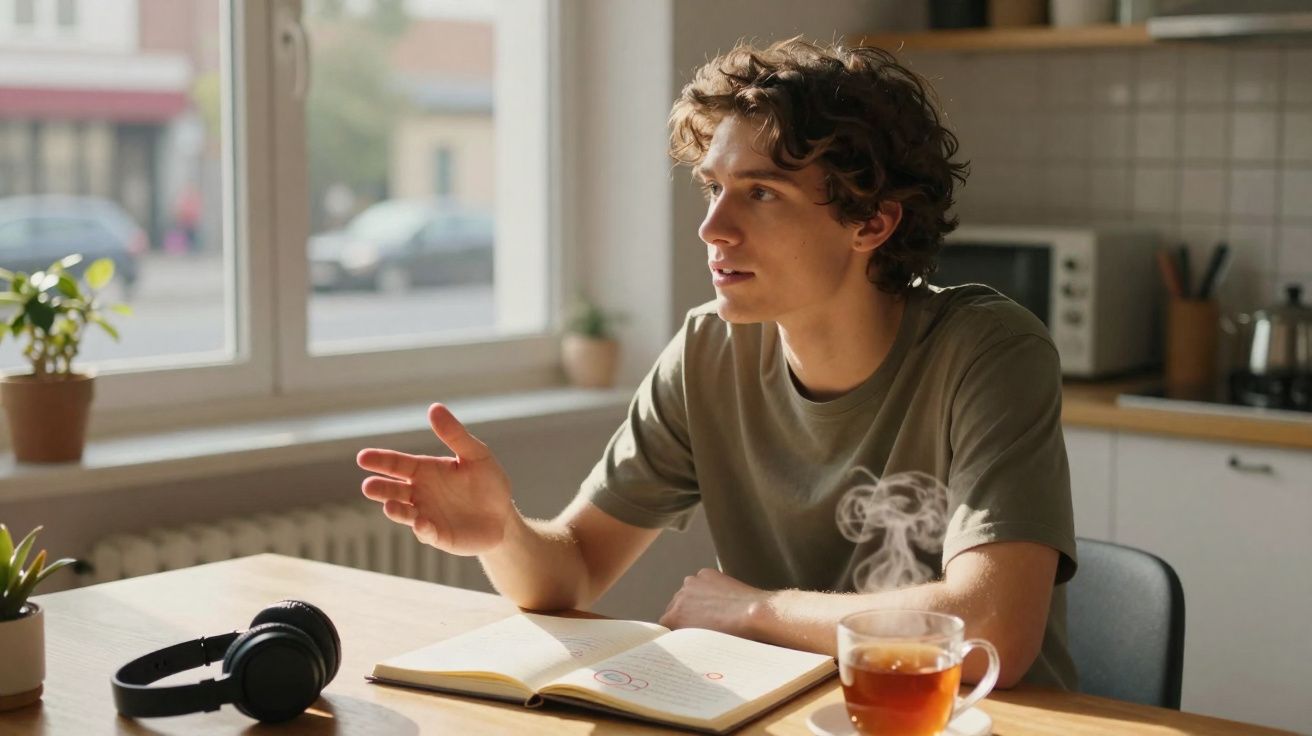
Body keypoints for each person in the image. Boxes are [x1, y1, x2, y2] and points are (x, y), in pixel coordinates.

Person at [357, 37, 1077, 690]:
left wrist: (754, 609)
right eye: (712, 188)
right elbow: (572, 567)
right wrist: (503, 531)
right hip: (792, 712)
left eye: (761, 193)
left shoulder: (987, 350)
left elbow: (993, 630)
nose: (711, 228)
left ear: (872, 222)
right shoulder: (709, 350)